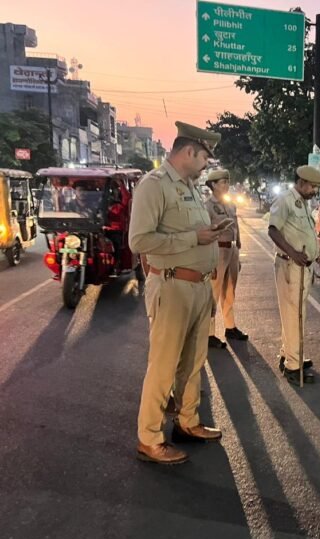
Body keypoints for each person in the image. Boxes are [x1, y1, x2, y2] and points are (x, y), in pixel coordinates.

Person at [129, 121, 223, 465]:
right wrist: (194, 238)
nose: (205, 165)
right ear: (189, 152)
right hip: (171, 286)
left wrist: (208, 237)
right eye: (204, 158)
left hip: (198, 286)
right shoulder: (154, 185)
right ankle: (149, 438)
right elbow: (139, 240)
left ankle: (187, 421)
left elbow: (192, 233)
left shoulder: (190, 187)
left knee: (193, 363)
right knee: (164, 365)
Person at [268, 165, 320, 386]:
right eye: (313, 187)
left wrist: (316, 255)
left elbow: (303, 234)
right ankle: (293, 366)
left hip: (301, 267)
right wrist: (293, 253)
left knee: (294, 314)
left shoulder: (302, 203)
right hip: (291, 266)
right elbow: (273, 230)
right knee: (294, 315)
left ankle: (289, 354)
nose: (315, 191)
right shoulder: (285, 200)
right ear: (301, 182)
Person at [204, 168, 248, 347]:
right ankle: (208, 333)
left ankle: (230, 326)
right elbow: (205, 233)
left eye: (227, 182)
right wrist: (209, 260)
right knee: (213, 293)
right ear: (213, 185)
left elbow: (235, 225)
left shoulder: (230, 204)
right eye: (223, 182)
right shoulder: (207, 206)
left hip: (232, 250)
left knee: (230, 290)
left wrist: (238, 246)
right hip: (217, 251)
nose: (226, 185)